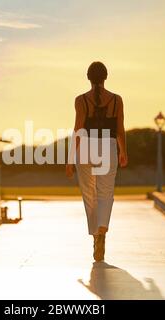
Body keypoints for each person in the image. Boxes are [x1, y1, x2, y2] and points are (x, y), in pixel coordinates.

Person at [66, 61, 128, 262]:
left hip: (85, 146)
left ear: (88, 77)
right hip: (108, 147)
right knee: (105, 193)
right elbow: (120, 130)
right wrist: (123, 151)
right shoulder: (117, 100)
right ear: (106, 77)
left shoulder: (81, 100)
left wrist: (70, 158)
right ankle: (102, 230)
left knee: (89, 193)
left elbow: (78, 129)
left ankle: (95, 234)